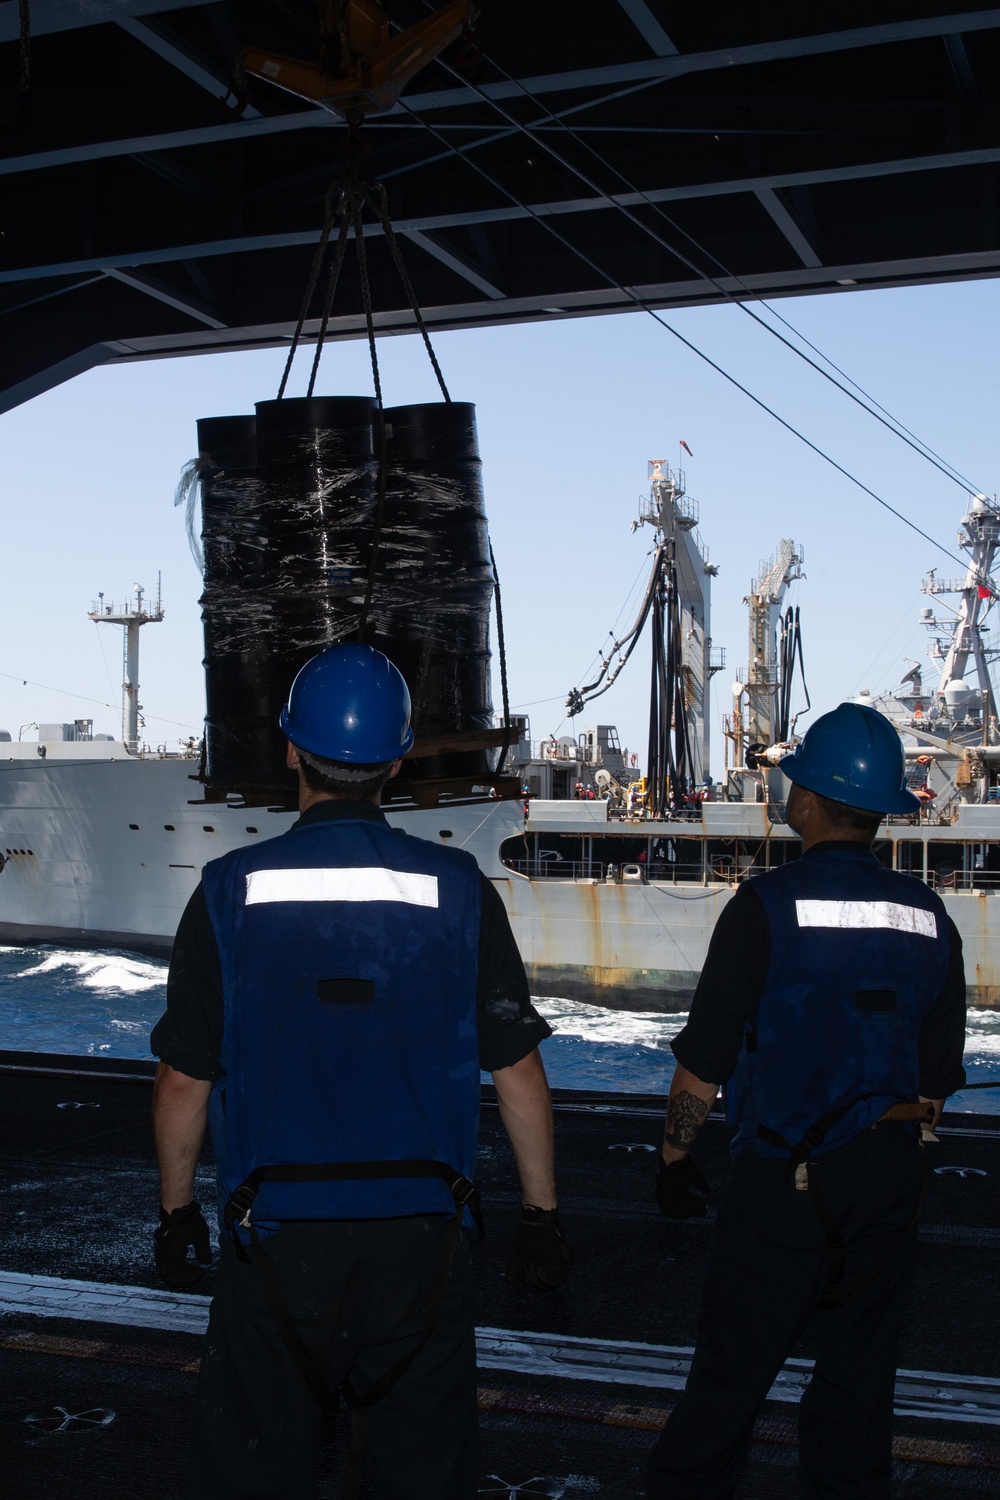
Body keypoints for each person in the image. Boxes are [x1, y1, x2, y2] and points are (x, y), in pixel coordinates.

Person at [150, 643, 571, 1500]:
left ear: (293, 749)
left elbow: (183, 1082)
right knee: (419, 1472)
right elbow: (517, 1067)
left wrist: (175, 1214)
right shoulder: (460, 888)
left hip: (273, 1238)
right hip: (423, 1241)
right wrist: (541, 1214)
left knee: (251, 1470)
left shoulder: (229, 889)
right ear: (397, 759)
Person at [646, 701, 966, 1500]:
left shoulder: (762, 908)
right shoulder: (932, 919)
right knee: (858, 1403)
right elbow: (933, 1086)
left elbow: (704, 1063)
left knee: (726, 1391)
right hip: (888, 1180)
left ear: (809, 802)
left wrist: (675, 1158)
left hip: (784, 1181)